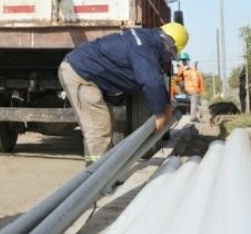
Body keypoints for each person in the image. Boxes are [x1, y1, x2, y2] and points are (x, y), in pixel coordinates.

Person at [58, 22, 189, 165]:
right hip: (80, 73)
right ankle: (96, 178)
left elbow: (155, 74)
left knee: (105, 123)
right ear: (169, 44)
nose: (169, 57)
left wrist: (167, 104)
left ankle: (106, 172)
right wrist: (160, 115)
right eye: (172, 52)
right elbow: (152, 81)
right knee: (98, 128)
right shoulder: (143, 47)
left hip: (85, 72)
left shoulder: (146, 41)